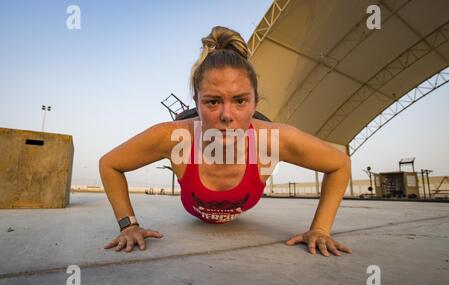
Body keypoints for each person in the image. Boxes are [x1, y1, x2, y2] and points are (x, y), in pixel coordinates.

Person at [100, 26, 352, 257]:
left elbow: (339, 164)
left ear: (255, 102)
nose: (227, 115)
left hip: (253, 132)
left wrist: (321, 229)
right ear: (196, 101)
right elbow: (109, 164)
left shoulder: (274, 140)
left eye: (241, 100)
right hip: (195, 127)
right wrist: (128, 225)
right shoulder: (172, 138)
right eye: (212, 101)